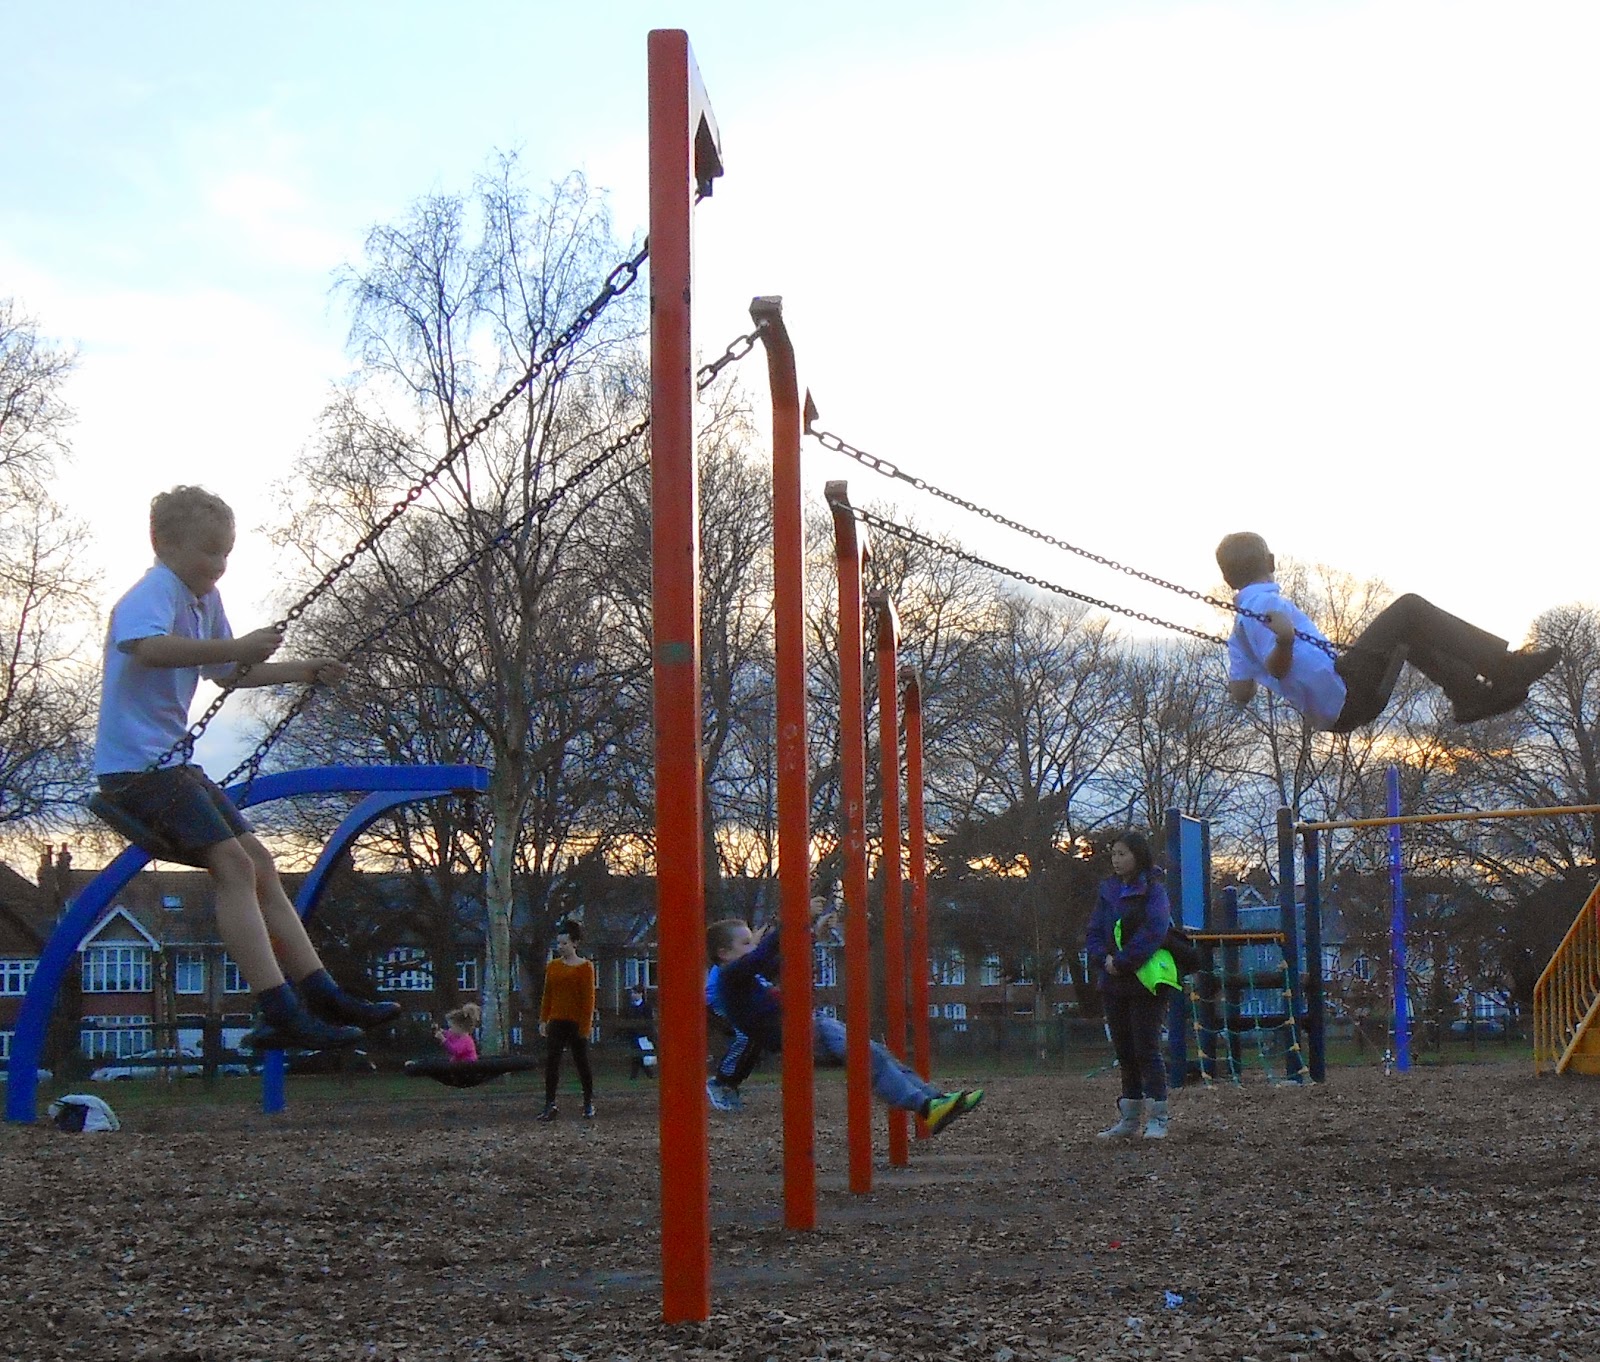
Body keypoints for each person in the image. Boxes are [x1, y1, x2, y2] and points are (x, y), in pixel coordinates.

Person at [94, 486, 400, 1052]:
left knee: (259, 860)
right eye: (210, 552)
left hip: (171, 767)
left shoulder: (203, 599)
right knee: (232, 864)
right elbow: (148, 649)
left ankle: (322, 992)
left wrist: (302, 668)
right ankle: (277, 1007)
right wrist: (236, 643)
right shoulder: (155, 590)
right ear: (164, 544)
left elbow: (226, 672)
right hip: (133, 773)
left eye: (227, 553)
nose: (220, 565)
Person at [1215, 532, 1559, 731]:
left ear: (1228, 579)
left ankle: (1468, 694)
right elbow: (1279, 666)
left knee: (1408, 633)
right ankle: (1502, 667)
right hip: (1344, 691)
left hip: (1338, 703)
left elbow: (1241, 694)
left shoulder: (1239, 630)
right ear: (1272, 561)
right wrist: (1286, 641)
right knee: (1410, 608)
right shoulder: (1263, 607)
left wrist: (1250, 668)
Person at [706, 900, 983, 1133]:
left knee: (878, 1054)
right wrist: (796, 918)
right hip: (801, 1032)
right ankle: (927, 1107)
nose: (752, 946)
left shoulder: (745, 974)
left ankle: (936, 1100)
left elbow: (787, 959)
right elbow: (764, 955)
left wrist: (813, 934)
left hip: (809, 1027)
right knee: (869, 1059)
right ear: (724, 953)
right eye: (745, 942)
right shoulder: (730, 977)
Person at [1085, 831, 1178, 1140]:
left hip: (1145, 980)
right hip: (1113, 981)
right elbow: (1095, 930)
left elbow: (1155, 929)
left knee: (1146, 1047)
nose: (1116, 859)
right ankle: (1129, 1117)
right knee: (1124, 1049)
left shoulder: (1153, 890)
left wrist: (1124, 961)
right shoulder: (1107, 891)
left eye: (1122, 853)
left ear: (1137, 856)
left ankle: (1158, 1117)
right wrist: (1103, 959)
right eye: (1113, 854)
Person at [537, 919, 596, 1121]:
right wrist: (544, 1019)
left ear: (574, 944)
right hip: (557, 1021)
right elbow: (548, 994)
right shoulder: (553, 967)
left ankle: (588, 1101)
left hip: (576, 1022)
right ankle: (549, 1103)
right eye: (559, 944)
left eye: (564, 943)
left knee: (581, 1062)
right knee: (552, 1062)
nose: (560, 947)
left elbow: (588, 999)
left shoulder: (585, 967)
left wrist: (585, 1026)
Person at [623, 984, 656, 1081]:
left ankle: (637, 1076)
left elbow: (649, 1020)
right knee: (636, 1055)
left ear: (640, 994)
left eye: (634, 993)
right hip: (633, 1034)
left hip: (643, 1034)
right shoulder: (630, 1007)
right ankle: (646, 1075)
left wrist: (648, 1032)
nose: (632, 995)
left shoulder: (646, 1006)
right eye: (632, 993)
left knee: (639, 1055)